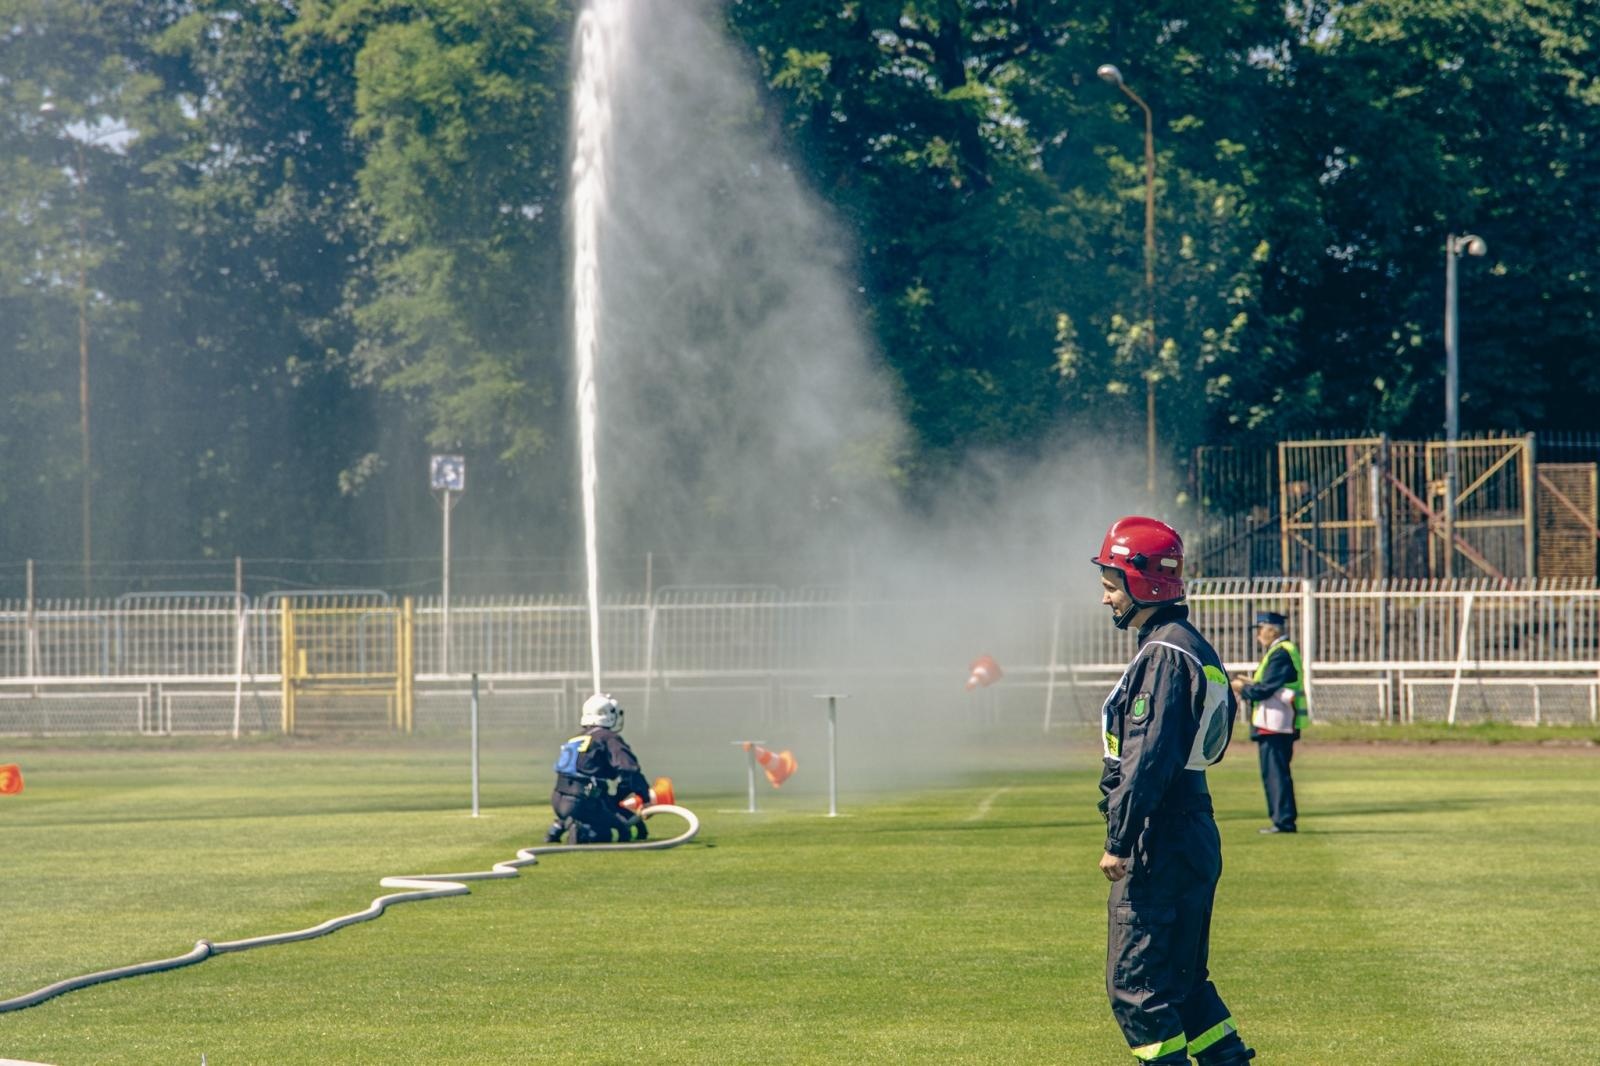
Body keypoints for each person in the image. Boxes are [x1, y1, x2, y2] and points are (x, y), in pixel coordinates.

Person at [1092, 515, 1256, 1066]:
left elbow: (1147, 759)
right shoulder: (1187, 645)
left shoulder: (1162, 655)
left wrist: (1120, 836)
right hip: (1189, 830)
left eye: (1112, 586)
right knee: (1183, 986)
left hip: (1159, 838)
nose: (1107, 599)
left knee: (1136, 989)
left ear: (1142, 583)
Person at [1230, 612, 1308, 835]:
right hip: (1276, 722)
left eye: (1260, 628)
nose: (1258, 635)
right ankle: (1282, 819)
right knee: (1276, 772)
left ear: (1272, 629)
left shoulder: (1280, 653)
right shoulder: (1281, 651)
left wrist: (1240, 687)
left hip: (1276, 724)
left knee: (1275, 773)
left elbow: (1264, 690)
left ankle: (1283, 821)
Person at [544, 693, 652, 844]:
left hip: (558, 799)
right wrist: (645, 798)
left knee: (600, 807)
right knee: (608, 832)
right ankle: (578, 828)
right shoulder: (608, 737)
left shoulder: (577, 737)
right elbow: (628, 769)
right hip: (583, 798)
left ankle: (559, 825)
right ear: (609, 714)